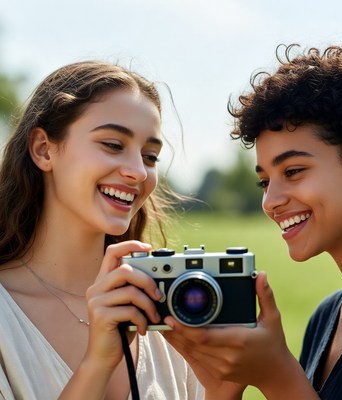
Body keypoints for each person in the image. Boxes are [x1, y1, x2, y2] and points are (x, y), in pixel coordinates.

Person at [163, 43, 342, 399]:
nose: (270, 201)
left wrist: (278, 376)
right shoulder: (329, 316)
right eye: (264, 181)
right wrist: (221, 391)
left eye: (293, 171)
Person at [0, 60, 239, 400]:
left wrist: (222, 391)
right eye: (113, 145)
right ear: (43, 149)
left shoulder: (169, 308)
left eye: (151, 156)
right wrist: (97, 364)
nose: (139, 172)